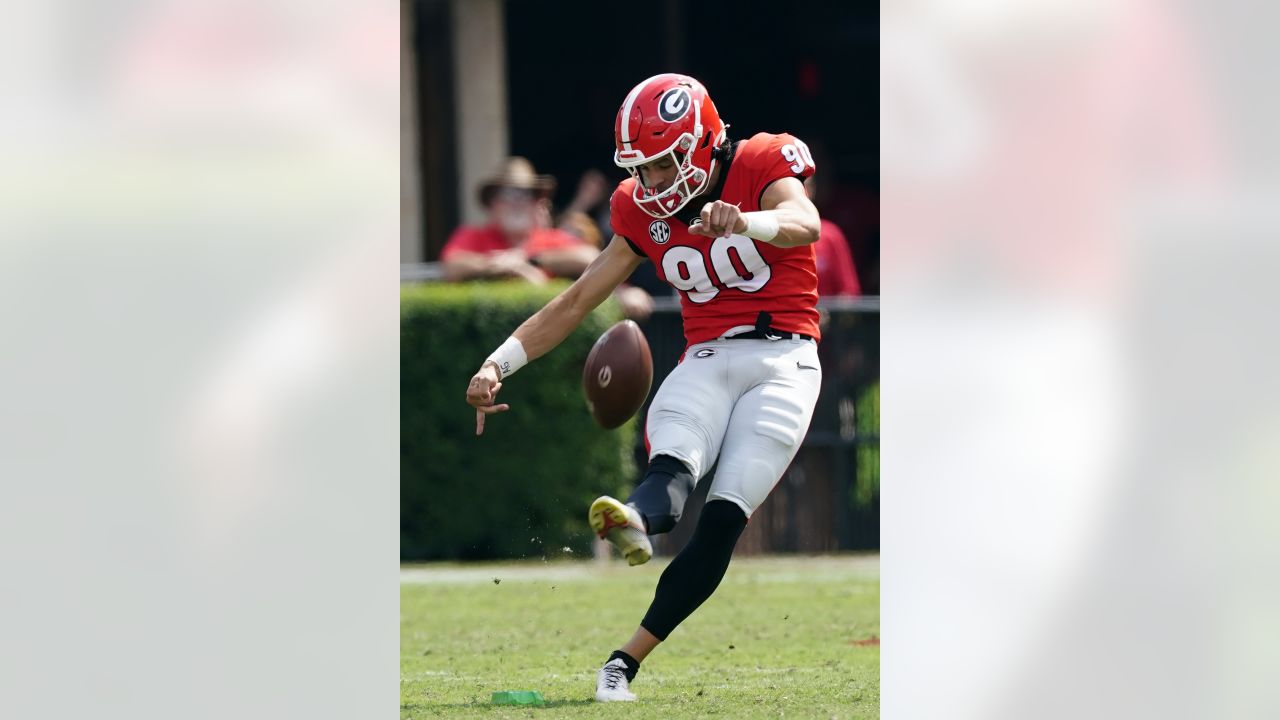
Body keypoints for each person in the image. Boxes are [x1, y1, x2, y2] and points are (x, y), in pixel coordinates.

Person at [463, 73, 823, 703]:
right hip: (708, 355)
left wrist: (747, 222)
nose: (651, 183)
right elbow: (577, 300)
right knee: (672, 467)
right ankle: (636, 519)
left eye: (663, 165)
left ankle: (622, 663)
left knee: (721, 523)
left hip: (786, 359)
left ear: (704, 142)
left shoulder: (763, 158)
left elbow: (804, 221)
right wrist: (498, 363)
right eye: (643, 168)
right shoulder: (638, 209)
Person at [440, 157, 598, 283]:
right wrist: (502, 265)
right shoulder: (472, 235)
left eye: (525, 194)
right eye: (507, 195)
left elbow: (591, 257)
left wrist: (527, 259)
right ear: (492, 204)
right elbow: (452, 266)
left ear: (535, 203)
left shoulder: (550, 238)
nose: (517, 203)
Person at [805, 176, 862, 297]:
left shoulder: (831, 234)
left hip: (823, 314)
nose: (802, 192)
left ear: (813, 190)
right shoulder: (770, 233)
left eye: (806, 185)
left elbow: (849, 292)